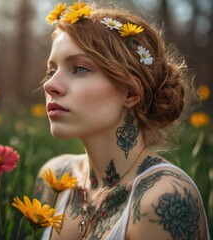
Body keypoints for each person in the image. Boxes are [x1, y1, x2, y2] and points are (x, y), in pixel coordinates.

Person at [34, 2, 210, 239]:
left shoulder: (162, 199)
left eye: (79, 69)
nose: (50, 85)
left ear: (130, 92)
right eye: (51, 70)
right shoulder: (55, 179)